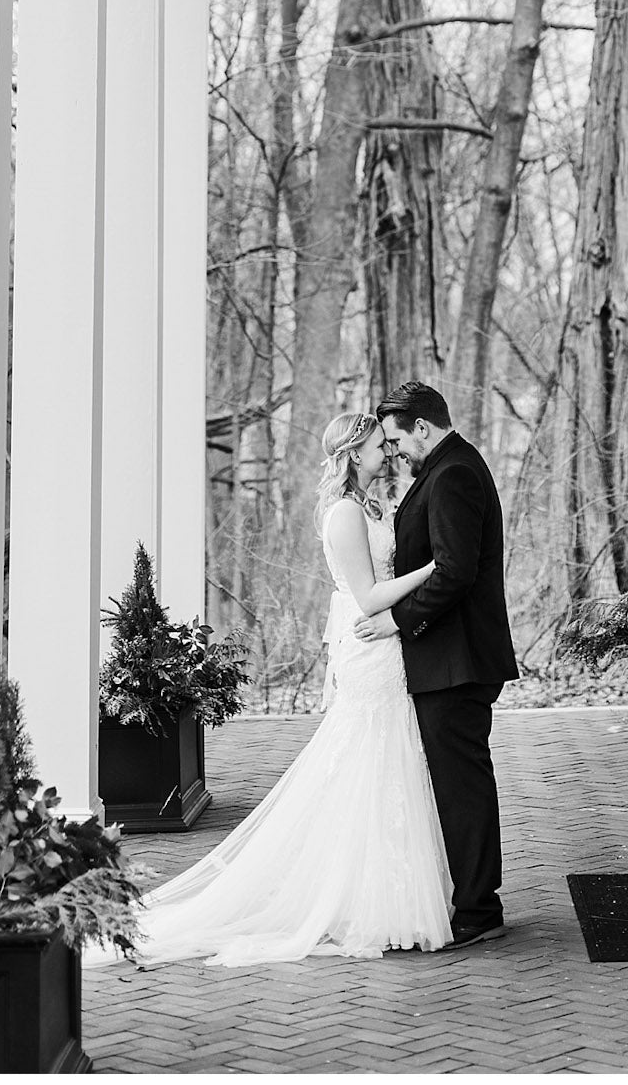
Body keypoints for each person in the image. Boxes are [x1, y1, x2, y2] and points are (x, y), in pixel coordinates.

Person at [89, 413, 453, 967]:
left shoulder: (377, 504)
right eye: (381, 446)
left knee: (392, 764)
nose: (391, 453)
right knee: (370, 761)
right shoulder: (344, 515)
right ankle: (368, 903)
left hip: (388, 648)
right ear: (355, 454)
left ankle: (388, 895)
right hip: (370, 646)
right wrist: (434, 570)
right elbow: (370, 594)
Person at [355, 380, 519, 947]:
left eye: (398, 442)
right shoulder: (447, 467)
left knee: (462, 786)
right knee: (457, 783)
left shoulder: (452, 474)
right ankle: (474, 900)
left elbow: (454, 571)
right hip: (449, 658)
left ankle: (478, 909)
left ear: (421, 427)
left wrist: (397, 621)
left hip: (458, 659)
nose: (395, 454)